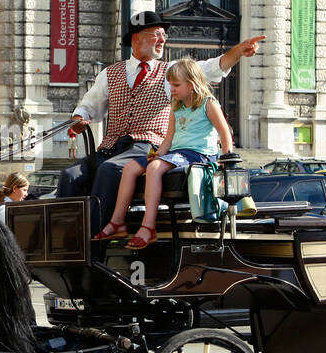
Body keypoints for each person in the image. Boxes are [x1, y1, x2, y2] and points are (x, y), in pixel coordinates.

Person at [58, 10, 262, 230]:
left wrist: (238, 52)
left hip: (147, 146)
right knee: (69, 175)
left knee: (110, 170)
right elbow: (90, 105)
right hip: (112, 147)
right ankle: (66, 241)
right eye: (157, 34)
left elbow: (211, 68)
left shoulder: (171, 73)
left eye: (164, 35)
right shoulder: (110, 73)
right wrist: (79, 118)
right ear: (137, 38)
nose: (163, 39)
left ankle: (95, 244)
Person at [96, 59, 234, 248]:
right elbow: (168, 139)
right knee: (130, 167)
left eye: (176, 85)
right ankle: (117, 222)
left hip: (199, 155)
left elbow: (224, 132)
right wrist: (157, 154)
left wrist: (227, 159)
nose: (172, 89)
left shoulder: (208, 104)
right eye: (170, 84)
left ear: (192, 85)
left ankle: (148, 227)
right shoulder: (176, 107)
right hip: (177, 154)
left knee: (154, 168)